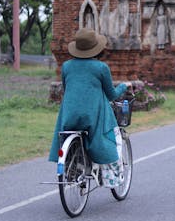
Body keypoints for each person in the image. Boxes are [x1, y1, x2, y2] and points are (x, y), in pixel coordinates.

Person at [49, 28, 128, 187]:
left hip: (69, 114)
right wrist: (124, 87)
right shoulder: (101, 68)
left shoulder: (66, 66)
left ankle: (73, 165)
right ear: (96, 48)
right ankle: (111, 176)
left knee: (71, 133)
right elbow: (111, 95)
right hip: (93, 116)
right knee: (113, 138)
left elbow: (67, 88)